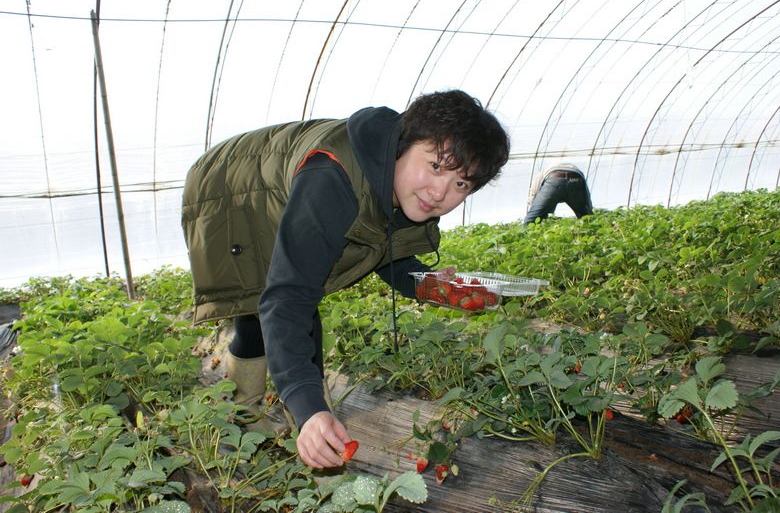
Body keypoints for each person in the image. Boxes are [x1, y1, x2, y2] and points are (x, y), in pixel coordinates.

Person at [181, 89, 510, 469]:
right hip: (230, 192)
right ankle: (243, 418)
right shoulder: (332, 181)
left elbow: (382, 251)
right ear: (406, 143)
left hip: (271, 181)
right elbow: (289, 299)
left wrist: (429, 283)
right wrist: (310, 410)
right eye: (436, 166)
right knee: (260, 298)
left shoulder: (397, 180)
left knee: (267, 300)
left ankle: (274, 419)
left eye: (461, 185)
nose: (440, 192)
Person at [523, 162, 593, 224]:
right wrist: (589, 211)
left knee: (530, 222)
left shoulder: (541, 174)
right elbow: (586, 194)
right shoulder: (549, 170)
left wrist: (535, 211)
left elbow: (533, 195)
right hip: (577, 177)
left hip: (555, 178)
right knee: (587, 219)